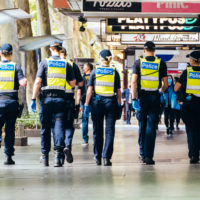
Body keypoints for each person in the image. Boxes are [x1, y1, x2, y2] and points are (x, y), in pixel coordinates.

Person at [31, 41, 75, 167]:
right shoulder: (66, 64)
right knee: (59, 127)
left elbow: (38, 82)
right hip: (61, 100)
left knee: (45, 128)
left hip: (46, 100)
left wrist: (33, 99)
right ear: (60, 49)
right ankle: (58, 156)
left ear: (51, 49)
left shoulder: (44, 63)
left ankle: (45, 157)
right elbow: (72, 83)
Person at [131, 41, 168, 165]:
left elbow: (134, 82)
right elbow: (166, 84)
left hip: (142, 97)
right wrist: (161, 91)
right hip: (155, 97)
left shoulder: (138, 63)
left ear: (144, 50)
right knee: (151, 126)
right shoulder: (161, 63)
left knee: (142, 125)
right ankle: (149, 157)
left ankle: (142, 153)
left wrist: (134, 98)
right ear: (154, 50)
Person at [84, 49, 121, 166]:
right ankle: (106, 158)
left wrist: (86, 105)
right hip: (111, 102)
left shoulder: (95, 72)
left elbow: (89, 90)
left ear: (100, 58)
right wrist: (119, 104)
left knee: (97, 131)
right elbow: (118, 91)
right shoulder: (115, 71)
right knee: (110, 131)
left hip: (97, 103)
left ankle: (98, 157)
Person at [0, 43, 27, 165]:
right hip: (11, 103)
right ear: (11, 54)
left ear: (1, 53)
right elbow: (23, 82)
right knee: (10, 130)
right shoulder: (16, 66)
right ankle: (8, 157)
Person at [174, 51, 200, 164]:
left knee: (191, 130)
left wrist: (181, 96)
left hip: (189, 104)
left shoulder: (187, 72)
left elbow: (176, 88)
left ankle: (193, 155)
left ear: (192, 60)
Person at [60, 47, 83, 164]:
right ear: (66, 53)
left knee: (58, 126)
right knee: (69, 125)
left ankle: (58, 155)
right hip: (69, 98)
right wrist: (78, 103)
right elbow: (80, 83)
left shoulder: (50, 64)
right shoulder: (72, 65)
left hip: (55, 98)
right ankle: (67, 146)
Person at [78, 62, 93, 145]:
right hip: (94, 101)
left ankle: (85, 140)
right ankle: (96, 137)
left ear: (88, 68)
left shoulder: (82, 78)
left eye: (84, 67)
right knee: (96, 120)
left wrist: (78, 103)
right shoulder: (95, 76)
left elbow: (79, 91)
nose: (83, 68)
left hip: (84, 102)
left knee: (84, 121)